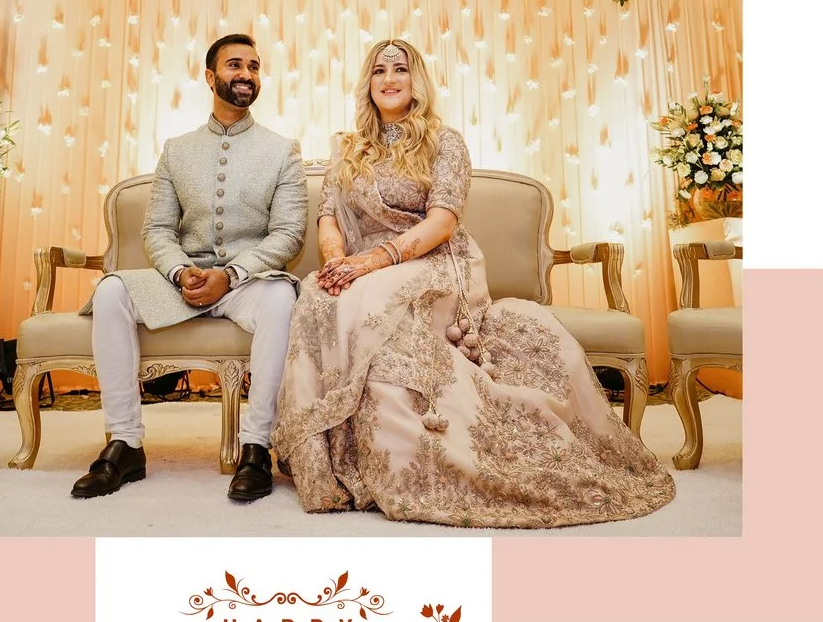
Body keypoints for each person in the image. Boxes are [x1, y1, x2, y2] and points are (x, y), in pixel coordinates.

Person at [273, 41, 676, 526]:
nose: (389, 79)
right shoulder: (349, 148)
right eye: (379, 70)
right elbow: (329, 217)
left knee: (374, 296)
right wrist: (339, 262)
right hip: (364, 265)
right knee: (320, 293)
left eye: (400, 69)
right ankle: (330, 459)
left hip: (432, 259)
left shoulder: (443, 142)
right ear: (368, 83)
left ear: (417, 81)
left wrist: (374, 261)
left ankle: (414, 455)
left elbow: (442, 222)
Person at [72, 35, 303, 505]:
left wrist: (231, 275)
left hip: (247, 283)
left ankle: (257, 447)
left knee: (283, 296)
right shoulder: (177, 150)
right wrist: (180, 272)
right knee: (112, 290)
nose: (246, 74)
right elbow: (157, 229)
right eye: (235, 65)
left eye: (254, 66)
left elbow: (288, 234)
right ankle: (125, 443)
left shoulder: (282, 150)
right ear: (210, 76)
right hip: (184, 281)